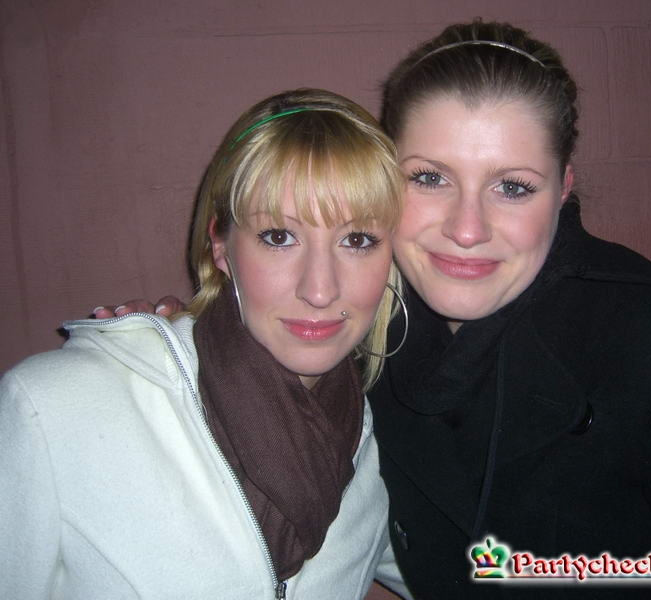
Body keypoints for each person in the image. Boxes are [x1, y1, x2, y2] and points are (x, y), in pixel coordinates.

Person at [91, 20, 651, 599]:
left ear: (563, 189)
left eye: (512, 187)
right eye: (430, 178)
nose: (466, 229)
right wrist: (187, 335)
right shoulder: (364, 330)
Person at [0, 88, 408, 599]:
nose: (320, 290)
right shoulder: (52, 408)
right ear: (220, 245)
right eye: (279, 237)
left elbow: (481, 570)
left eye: (358, 240)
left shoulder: (380, 443)